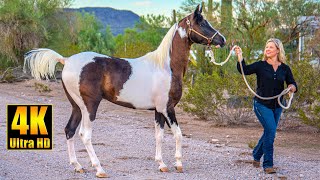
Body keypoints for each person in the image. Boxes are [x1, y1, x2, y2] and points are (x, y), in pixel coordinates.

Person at [234, 38, 297, 174]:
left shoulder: (285, 68)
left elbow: (292, 83)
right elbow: (243, 70)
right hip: (261, 104)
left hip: (278, 105)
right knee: (271, 131)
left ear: (278, 50)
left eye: (270, 47)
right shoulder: (260, 65)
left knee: (270, 131)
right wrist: (240, 57)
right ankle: (268, 164)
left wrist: (292, 87)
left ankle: (256, 154)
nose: (267, 49)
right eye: (266, 47)